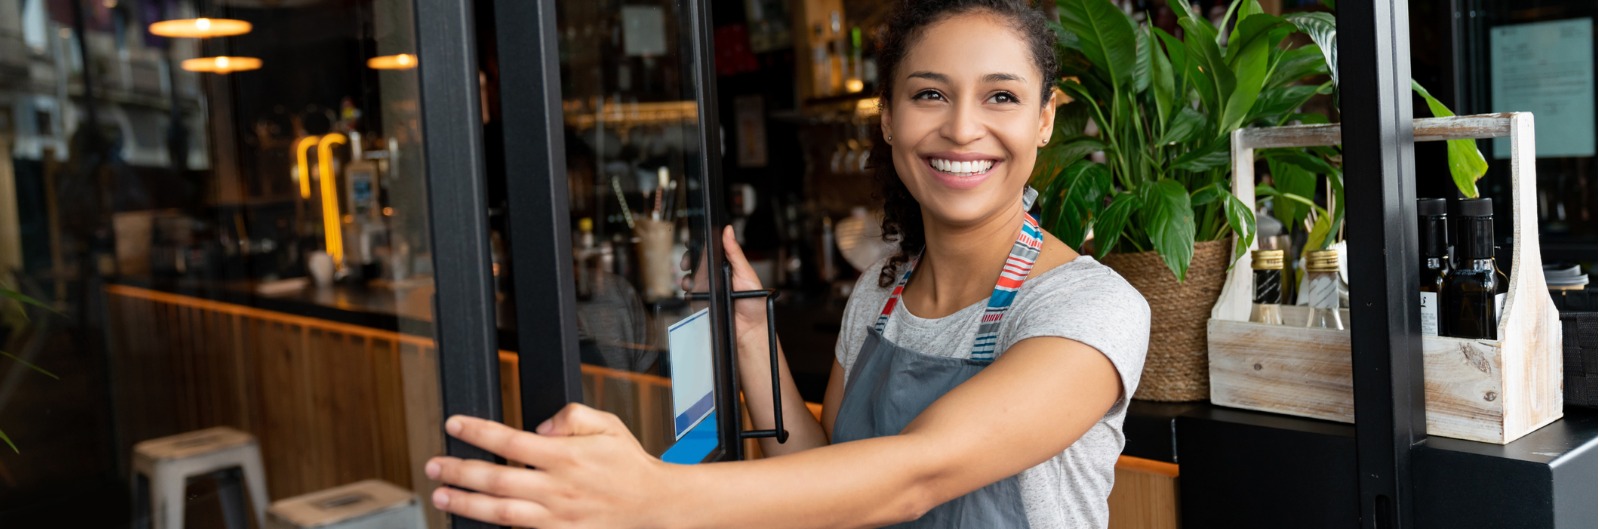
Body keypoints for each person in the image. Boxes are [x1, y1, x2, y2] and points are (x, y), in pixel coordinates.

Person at [423, 0, 1150, 527]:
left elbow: (914, 476)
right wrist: (748, 335)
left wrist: (650, 496)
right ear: (889, 117)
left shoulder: (1086, 307)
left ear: (1045, 118)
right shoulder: (882, 292)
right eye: (930, 93)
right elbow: (827, 471)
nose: (962, 126)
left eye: (1001, 96)